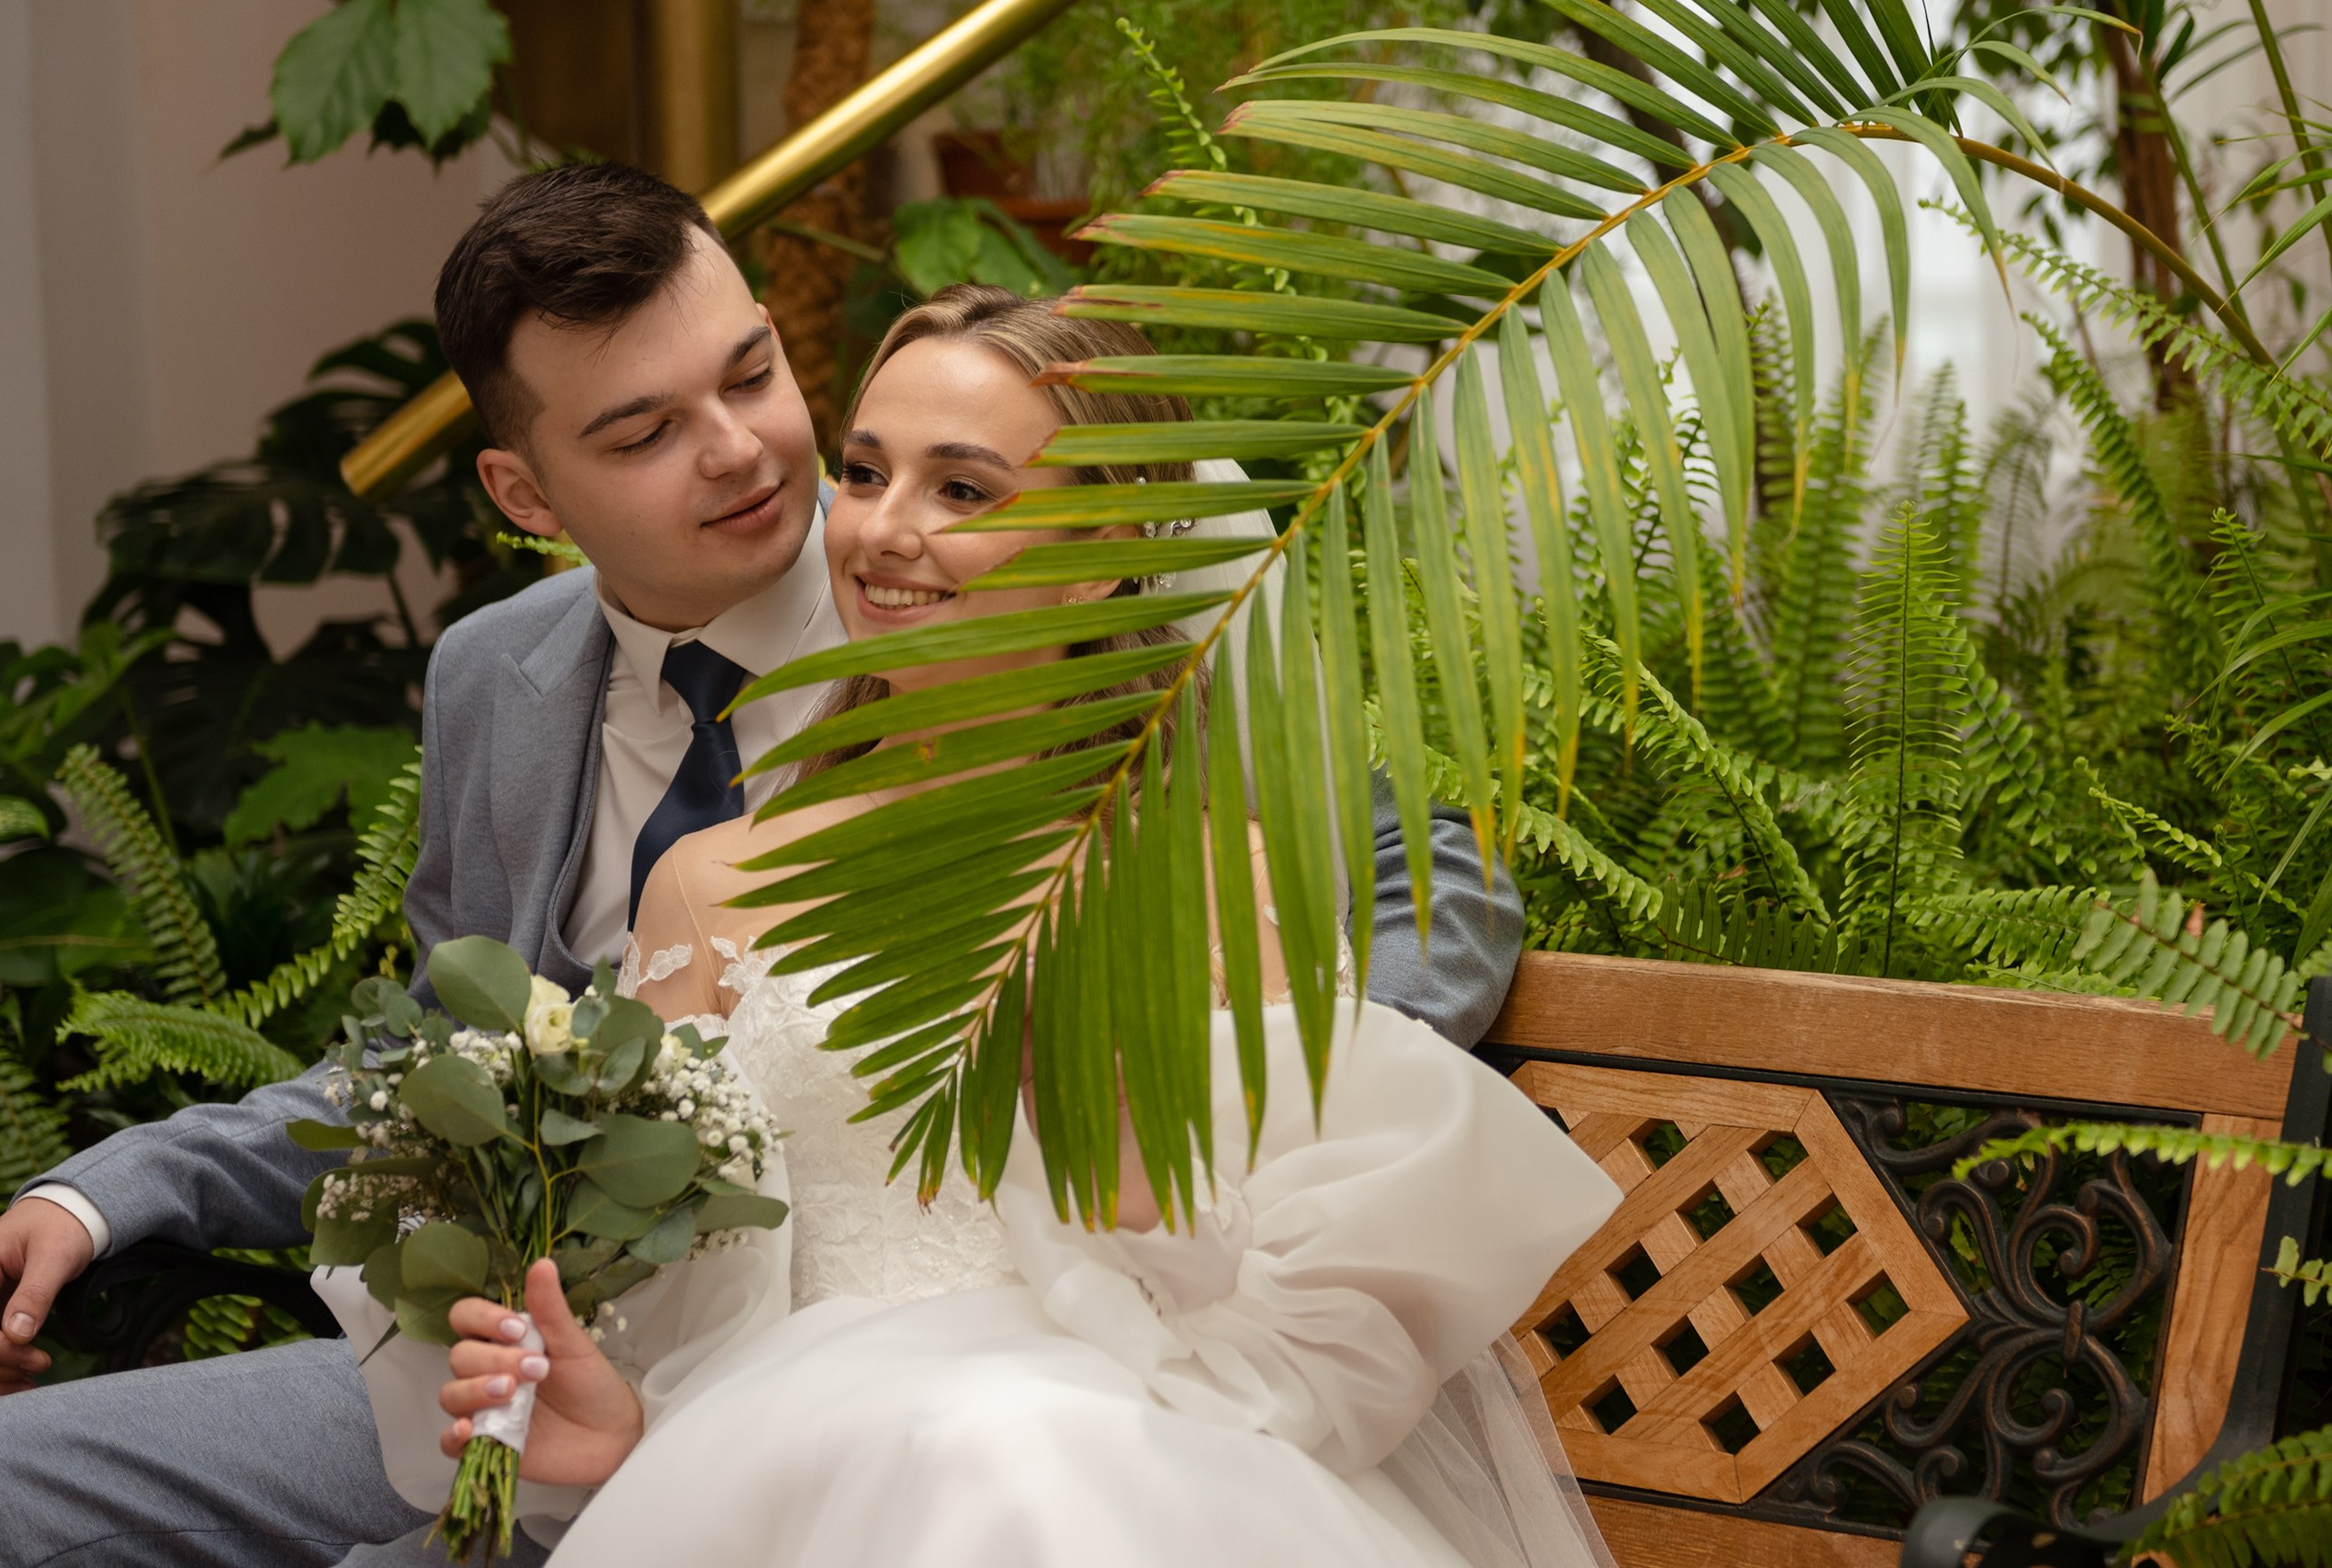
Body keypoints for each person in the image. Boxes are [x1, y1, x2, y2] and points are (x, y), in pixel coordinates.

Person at [0, 167, 1526, 1568]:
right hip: (622, 1392)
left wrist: (1199, 1086)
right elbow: (455, 1070)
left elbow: (1408, 911)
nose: (753, 460)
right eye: (644, 431)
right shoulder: (513, 689)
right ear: (527, 497)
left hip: (1026, 1421)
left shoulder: (1158, 761)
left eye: (750, 375)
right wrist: (103, 1197)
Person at [406, 288, 1623, 1568]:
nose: (882, 529)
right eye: (867, 472)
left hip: (1114, 1462)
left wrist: (1119, 1144)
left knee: (998, 1458)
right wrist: (626, 1422)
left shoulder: (1213, 880)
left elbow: (1296, 1339)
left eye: (965, 492)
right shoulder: (711, 889)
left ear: (1105, 549)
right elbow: (679, 1291)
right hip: (782, 1473)